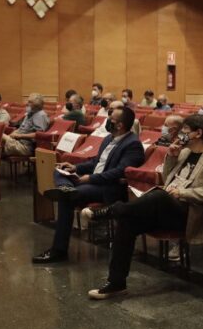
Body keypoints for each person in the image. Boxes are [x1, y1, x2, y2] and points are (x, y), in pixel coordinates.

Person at [84, 115, 203, 299]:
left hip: (188, 213)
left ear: (198, 133)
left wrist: (181, 193)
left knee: (160, 195)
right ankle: (116, 283)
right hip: (165, 206)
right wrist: (171, 156)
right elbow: (167, 177)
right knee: (127, 221)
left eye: (185, 131)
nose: (181, 135)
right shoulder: (184, 152)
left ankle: (113, 209)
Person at [32, 105, 145, 264]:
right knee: (59, 170)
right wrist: (75, 168)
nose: (107, 122)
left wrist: (90, 179)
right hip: (93, 181)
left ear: (120, 125)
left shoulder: (133, 144)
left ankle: (58, 250)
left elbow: (119, 172)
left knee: (66, 199)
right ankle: (67, 189)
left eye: (111, 120)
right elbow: (96, 162)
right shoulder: (108, 138)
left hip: (109, 188)